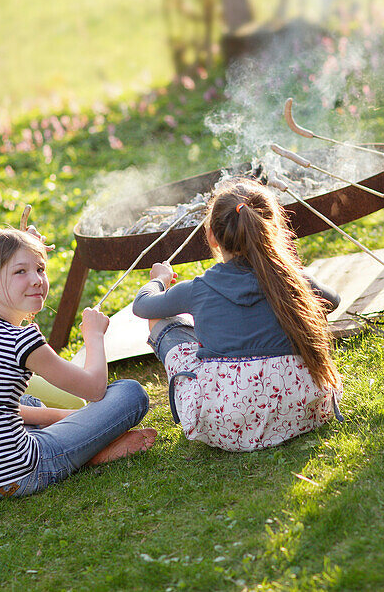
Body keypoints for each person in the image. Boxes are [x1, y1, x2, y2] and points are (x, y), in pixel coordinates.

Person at [0, 228, 155, 499]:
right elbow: (95, 389)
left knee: (27, 403)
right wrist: (93, 336)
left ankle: (86, 440)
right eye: (20, 272)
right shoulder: (20, 340)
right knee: (130, 393)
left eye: (40, 269)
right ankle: (92, 451)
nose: (37, 280)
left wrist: (78, 420)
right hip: (21, 473)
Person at [131, 178, 343, 452]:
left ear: (212, 237)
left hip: (230, 425)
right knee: (307, 309)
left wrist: (160, 278)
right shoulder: (292, 279)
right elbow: (332, 301)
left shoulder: (197, 289)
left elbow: (142, 305)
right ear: (272, 229)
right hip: (305, 409)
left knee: (164, 323)